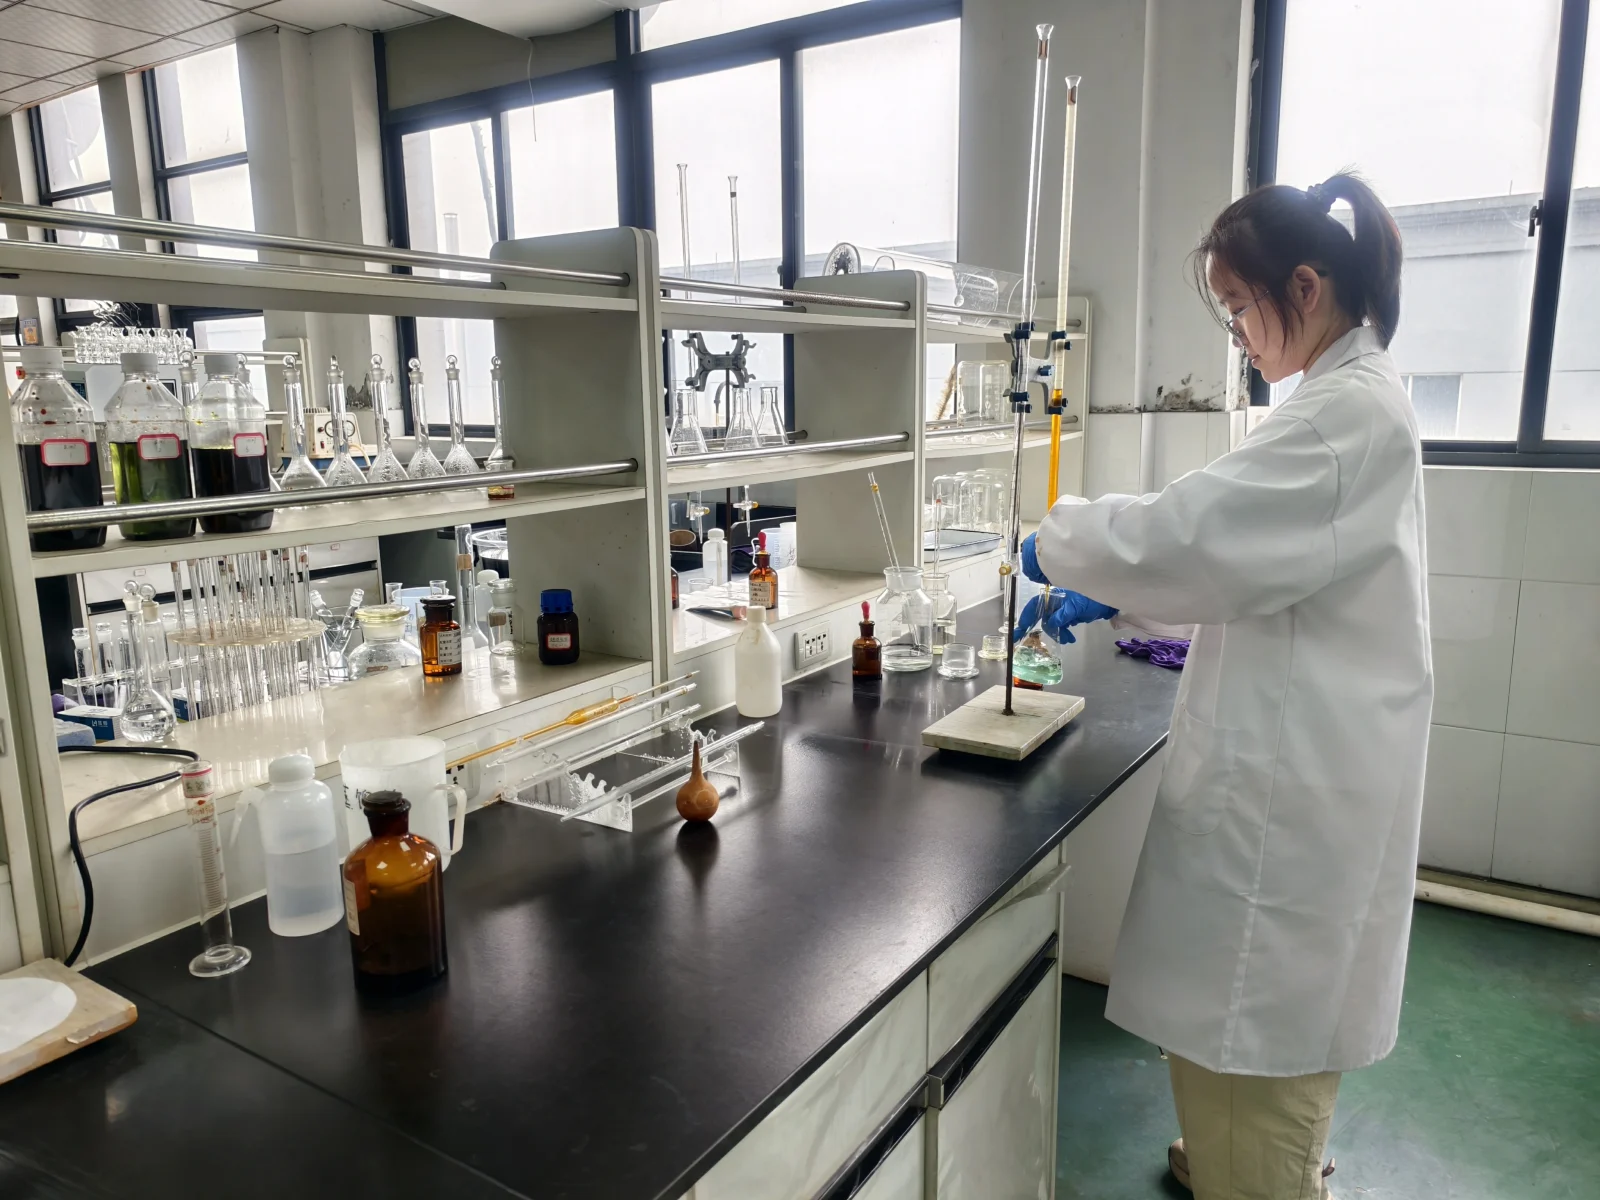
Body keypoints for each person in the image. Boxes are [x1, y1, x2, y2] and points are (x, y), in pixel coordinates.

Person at [1017, 173, 1430, 1200]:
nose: (1237, 335)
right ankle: (1241, 1157)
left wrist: (1055, 544)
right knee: (1256, 1046)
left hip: (1292, 804)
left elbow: (1191, 534)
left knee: (1259, 1040)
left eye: (1240, 308)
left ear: (1306, 286)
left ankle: (1255, 1174)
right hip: (1312, 762)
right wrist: (1120, 599)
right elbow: (1256, 569)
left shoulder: (1340, 418)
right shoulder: (1347, 399)